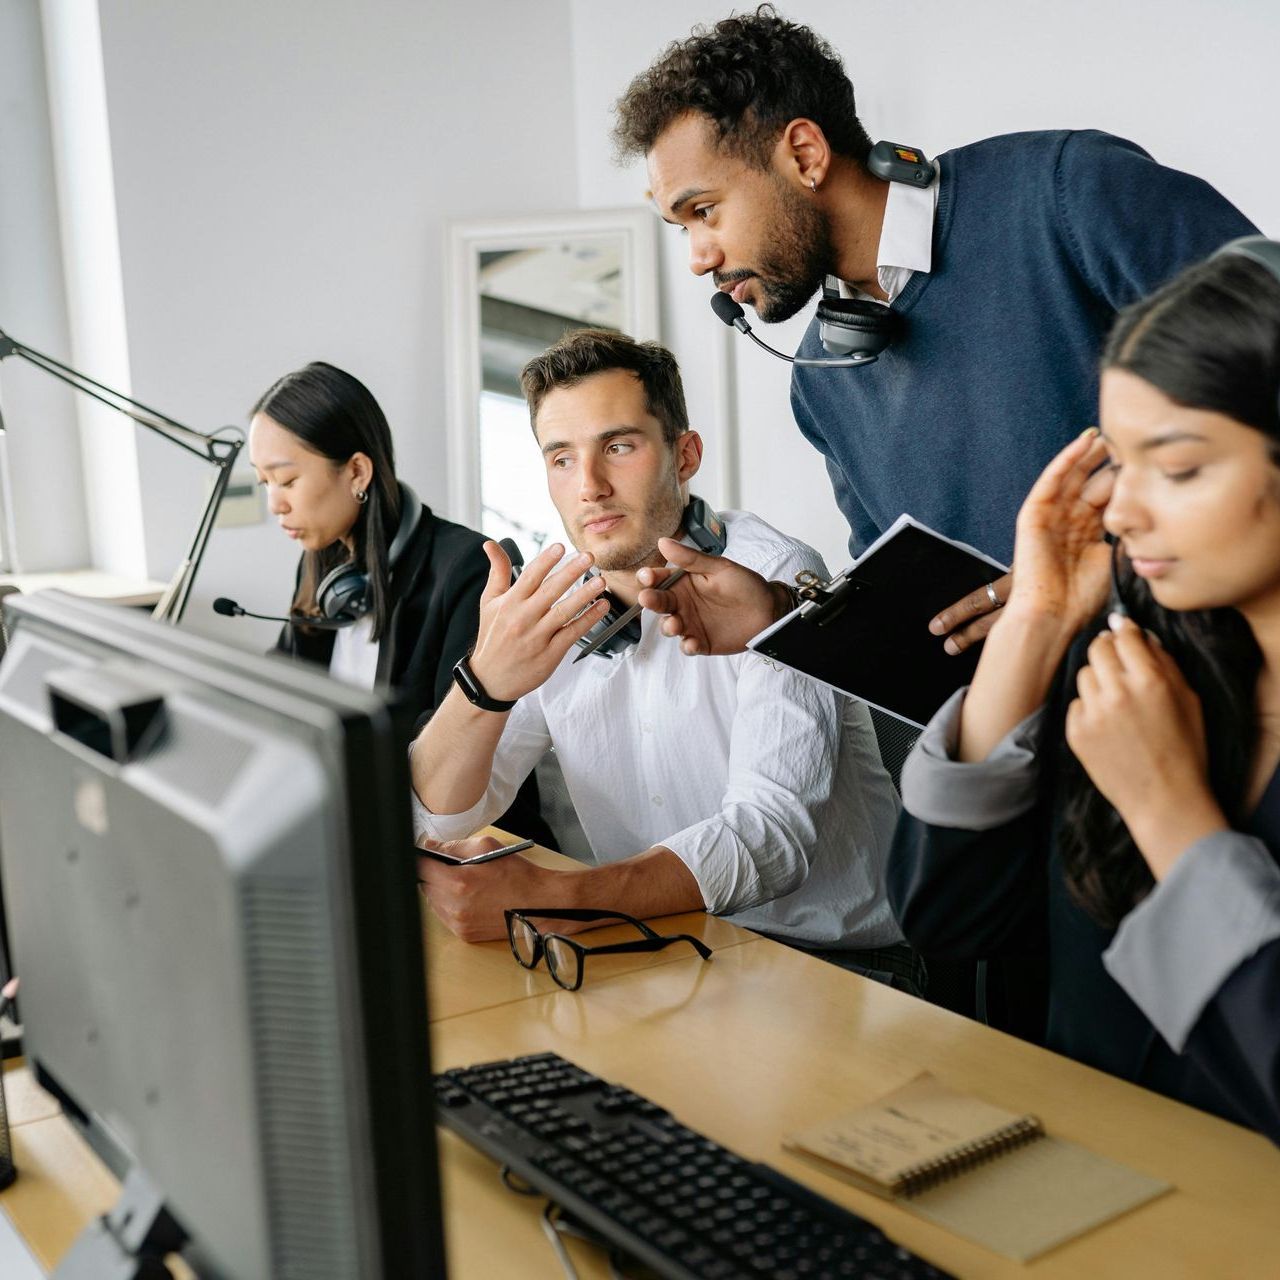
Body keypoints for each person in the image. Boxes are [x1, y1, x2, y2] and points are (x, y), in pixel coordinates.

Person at [613, 5, 1258, 658]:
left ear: (804, 154)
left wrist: (1103, 576)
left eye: (705, 211)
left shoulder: (1066, 194)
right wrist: (781, 614)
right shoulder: (823, 383)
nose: (698, 256)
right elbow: (918, 617)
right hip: (1047, 749)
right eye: (683, 227)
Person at [887, 243, 1280, 1142]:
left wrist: (1170, 815)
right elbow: (947, 920)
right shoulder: (1136, 669)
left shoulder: (1141, 721)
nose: (1126, 511)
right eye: (1123, 464)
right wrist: (1035, 620)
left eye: (1177, 469)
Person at [412, 330, 911, 984]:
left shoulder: (776, 577)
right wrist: (483, 685)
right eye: (561, 458)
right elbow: (443, 813)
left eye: (618, 447)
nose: (588, 486)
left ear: (686, 454)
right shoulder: (552, 602)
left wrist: (556, 898)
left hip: (834, 967)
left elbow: (769, 840)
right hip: (659, 951)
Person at [248, 361, 554, 845]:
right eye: (263, 483)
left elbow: (449, 754)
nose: (274, 505)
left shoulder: (466, 569)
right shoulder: (322, 572)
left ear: (356, 471)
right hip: (360, 828)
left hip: (469, 846)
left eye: (285, 481)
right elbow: (284, 697)